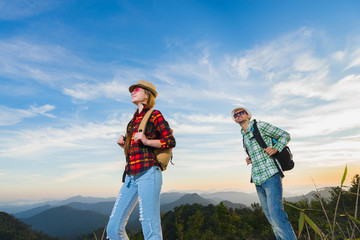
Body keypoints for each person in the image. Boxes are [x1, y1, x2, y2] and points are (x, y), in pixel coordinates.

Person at [107, 80, 176, 240]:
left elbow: (170, 140)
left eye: (136, 89)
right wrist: (124, 145)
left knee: (150, 226)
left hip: (149, 172)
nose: (132, 92)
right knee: (113, 227)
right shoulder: (132, 122)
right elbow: (133, 150)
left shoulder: (155, 114)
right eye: (131, 90)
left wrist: (147, 141)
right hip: (130, 176)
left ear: (147, 94)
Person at [232, 107, 296, 240]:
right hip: (257, 179)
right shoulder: (244, 135)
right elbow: (258, 150)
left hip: (271, 175)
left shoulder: (260, 125)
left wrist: (275, 148)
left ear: (248, 115)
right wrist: (250, 158)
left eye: (241, 113)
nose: (238, 115)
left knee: (277, 216)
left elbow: (285, 135)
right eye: (235, 115)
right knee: (271, 218)